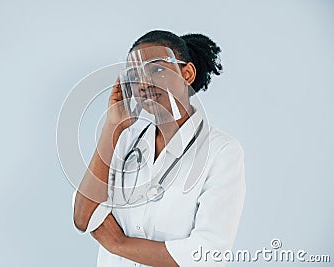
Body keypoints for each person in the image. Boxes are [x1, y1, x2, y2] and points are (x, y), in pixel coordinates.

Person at [72, 30, 246, 267]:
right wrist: (112, 126)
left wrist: (118, 244)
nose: (143, 83)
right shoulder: (123, 139)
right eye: (134, 75)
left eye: (157, 69)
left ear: (187, 73)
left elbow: (206, 254)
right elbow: (84, 215)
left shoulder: (222, 152)